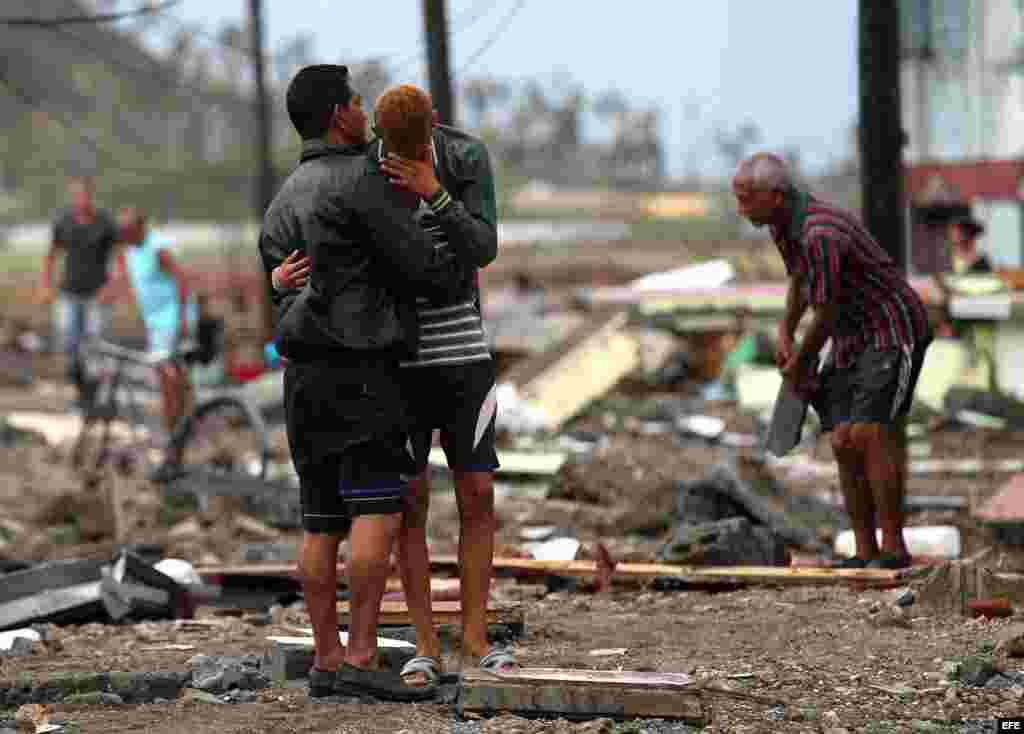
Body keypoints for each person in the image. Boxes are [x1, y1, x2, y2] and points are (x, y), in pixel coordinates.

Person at [273, 83, 505, 687]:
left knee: (477, 490)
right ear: (375, 133)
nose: (404, 151)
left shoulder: (464, 156)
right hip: (398, 358)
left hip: (463, 351)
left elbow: (482, 249)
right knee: (408, 503)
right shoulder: (362, 172)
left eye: (416, 142)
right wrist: (279, 278)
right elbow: (339, 254)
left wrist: (436, 194)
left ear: (434, 126)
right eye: (394, 143)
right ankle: (425, 641)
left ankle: (475, 636)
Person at [731, 153, 932, 570]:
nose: (740, 209)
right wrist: (785, 330)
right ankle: (864, 551)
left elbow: (824, 312)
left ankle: (893, 549)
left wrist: (801, 361)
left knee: (871, 433)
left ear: (775, 196)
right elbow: (800, 280)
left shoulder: (820, 233)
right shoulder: (781, 226)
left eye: (746, 199)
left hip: (891, 329)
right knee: (842, 440)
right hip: (849, 335)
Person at [113, 207, 196, 434]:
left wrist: (182, 320)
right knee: (168, 374)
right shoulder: (130, 250)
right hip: (155, 322)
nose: (124, 236)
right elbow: (131, 281)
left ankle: (176, 426)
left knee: (169, 374)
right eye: (121, 232)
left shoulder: (158, 249)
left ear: (140, 228)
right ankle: (180, 425)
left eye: (127, 231)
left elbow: (182, 280)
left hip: (171, 318)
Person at [40, 176, 119, 408]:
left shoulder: (105, 222)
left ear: (90, 195)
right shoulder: (62, 222)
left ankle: (93, 397)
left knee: (95, 343)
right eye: (76, 195)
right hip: (69, 293)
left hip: (97, 294)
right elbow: (50, 256)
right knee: (67, 340)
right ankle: (80, 392)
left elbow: (119, 259)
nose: (80, 199)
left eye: (84, 195)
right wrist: (45, 285)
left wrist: (112, 288)